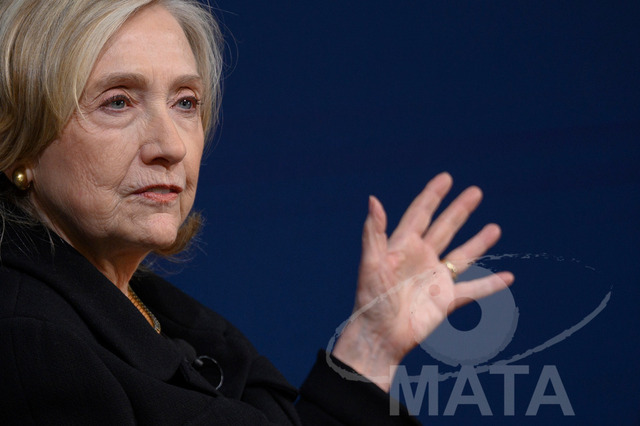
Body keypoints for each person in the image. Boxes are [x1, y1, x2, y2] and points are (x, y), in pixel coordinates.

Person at [0, 0, 513, 424]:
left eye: (185, 102)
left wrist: (370, 348)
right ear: (18, 139)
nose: (171, 146)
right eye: (118, 102)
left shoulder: (147, 308)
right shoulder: (32, 344)